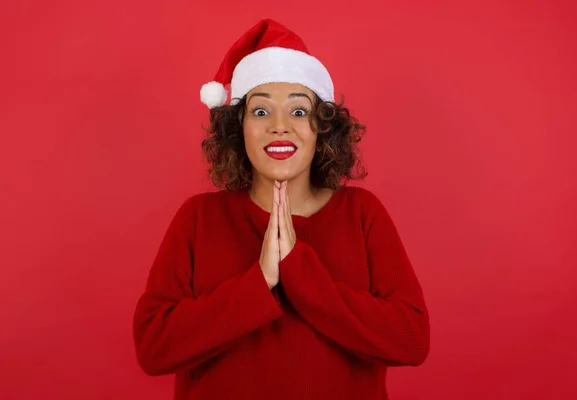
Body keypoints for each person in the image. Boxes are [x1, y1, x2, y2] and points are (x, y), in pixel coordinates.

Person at [133, 18, 430, 400]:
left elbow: (412, 341)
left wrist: (301, 276)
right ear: (238, 126)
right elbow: (154, 349)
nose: (279, 127)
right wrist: (260, 280)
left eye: (298, 111)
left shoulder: (363, 214)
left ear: (322, 127)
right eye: (260, 112)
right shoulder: (198, 219)